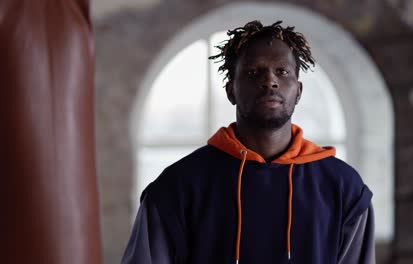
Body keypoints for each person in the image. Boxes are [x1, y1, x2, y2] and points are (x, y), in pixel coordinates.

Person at [122, 20, 375, 264]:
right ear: (231, 90)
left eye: (282, 72)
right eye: (254, 72)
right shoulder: (177, 187)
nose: (270, 81)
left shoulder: (344, 188)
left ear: (298, 91)